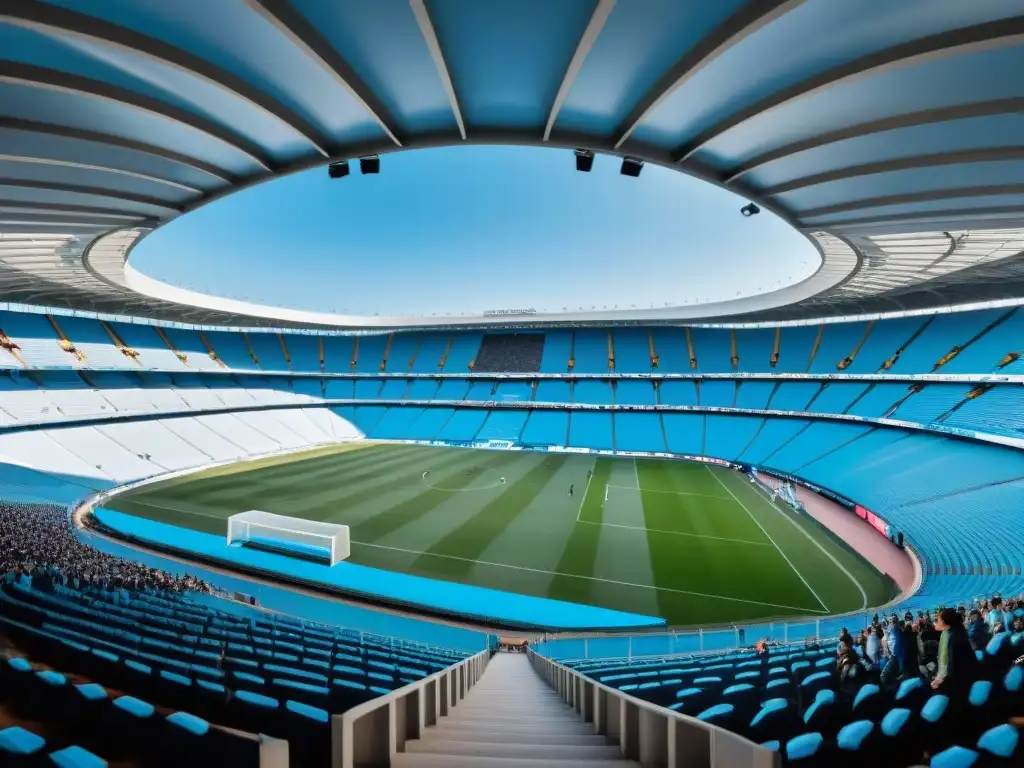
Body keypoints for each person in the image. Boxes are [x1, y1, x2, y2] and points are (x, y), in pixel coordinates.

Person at [932, 607, 978, 695]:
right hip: (969, 675)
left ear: (946, 623)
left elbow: (950, 664)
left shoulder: (950, 638)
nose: (938, 622)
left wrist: (941, 681)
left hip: (959, 681)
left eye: (940, 620)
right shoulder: (960, 631)